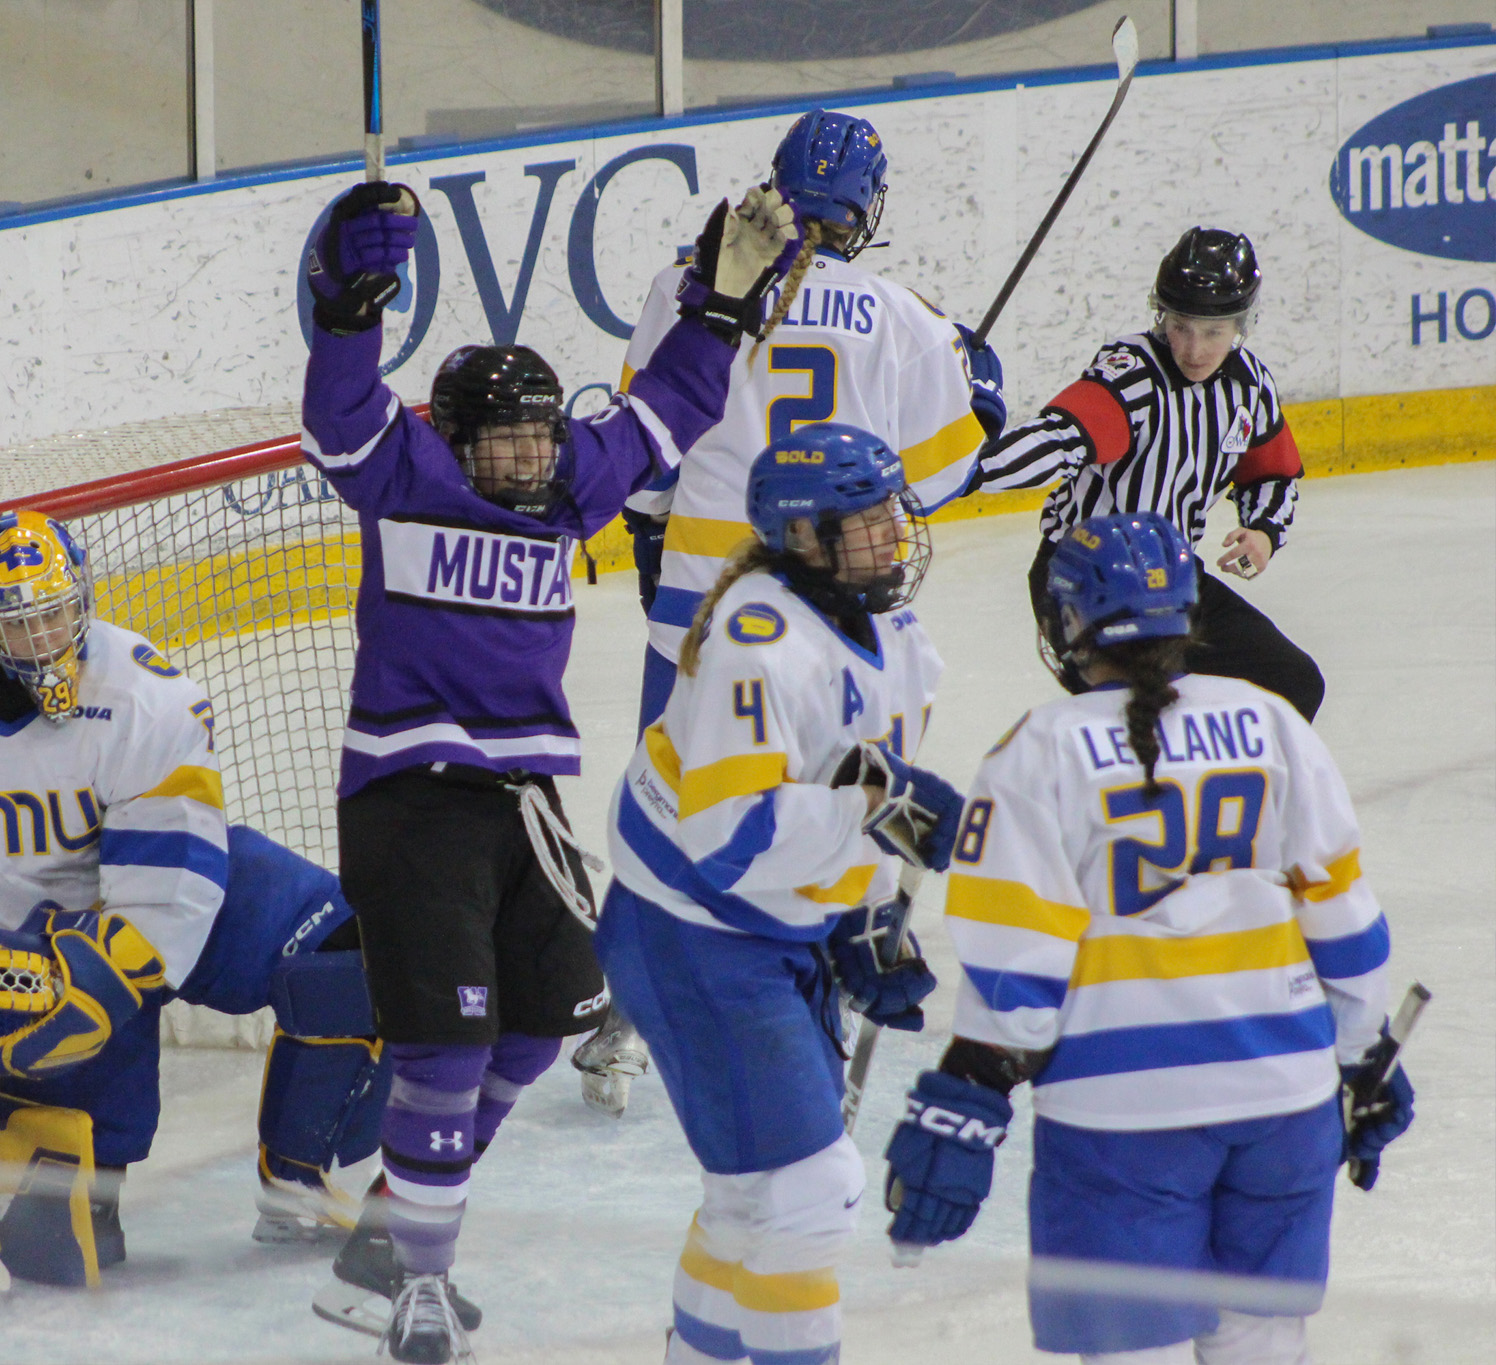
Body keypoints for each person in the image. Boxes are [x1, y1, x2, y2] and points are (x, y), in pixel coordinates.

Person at [298, 178, 792, 1361]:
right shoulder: (402, 475)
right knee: (443, 1047)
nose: (528, 454)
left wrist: (717, 307)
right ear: (454, 439)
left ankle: (389, 1227)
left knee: (549, 1021)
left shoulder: (569, 488)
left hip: (525, 808)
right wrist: (347, 300)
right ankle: (416, 1282)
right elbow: (338, 412)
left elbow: (667, 409)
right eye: (505, 438)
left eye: (537, 433)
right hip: (408, 798)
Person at [882, 513, 1414, 1364]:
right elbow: (1344, 913)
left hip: (1121, 1114)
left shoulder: (1040, 748)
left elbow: (1017, 966)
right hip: (1285, 1099)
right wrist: (1366, 1052)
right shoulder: (1271, 721)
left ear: (1068, 626)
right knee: (1264, 1345)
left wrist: (971, 1093)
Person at [578, 107, 1006, 1114]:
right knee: (817, 783)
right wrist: (976, 398)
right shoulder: (896, 313)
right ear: (867, 207)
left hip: (695, 582)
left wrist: (646, 532)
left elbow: (644, 451)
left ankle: (620, 1023)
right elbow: (935, 479)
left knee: (670, 781)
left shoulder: (684, 283)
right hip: (820, 585)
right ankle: (812, 987)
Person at [0, 508, 392, 1286]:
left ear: (84, 598)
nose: (46, 639)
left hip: (152, 909)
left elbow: (169, 880)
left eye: (59, 613)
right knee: (60, 1257)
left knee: (349, 949)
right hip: (31, 949)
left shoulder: (143, 693)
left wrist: (109, 981)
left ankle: (299, 1176)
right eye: (23, 623)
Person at [597, 425, 963, 1365]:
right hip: (692, 931)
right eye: (870, 517)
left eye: (893, 509)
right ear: (806, 538)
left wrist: (868, 915)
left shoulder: (899, 637)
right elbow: (733, 834)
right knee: (810, 1196)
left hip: (765, 930)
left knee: (752, 1200)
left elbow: (862, 790)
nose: (895, 531)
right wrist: (880, 813)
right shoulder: (756, 640)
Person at [965, 226, 1325, 720]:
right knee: (1138, 717)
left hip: (1171, 580)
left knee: (1294, 682)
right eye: (1180, 326)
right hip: (1084, 582)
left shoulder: (1250, 385)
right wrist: (972, 468)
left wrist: (1263, 531)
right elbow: (1059, 437)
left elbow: (1271, 474)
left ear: (1242, 324)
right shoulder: (1130, 373)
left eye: (1213, 331)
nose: (1194, 349)